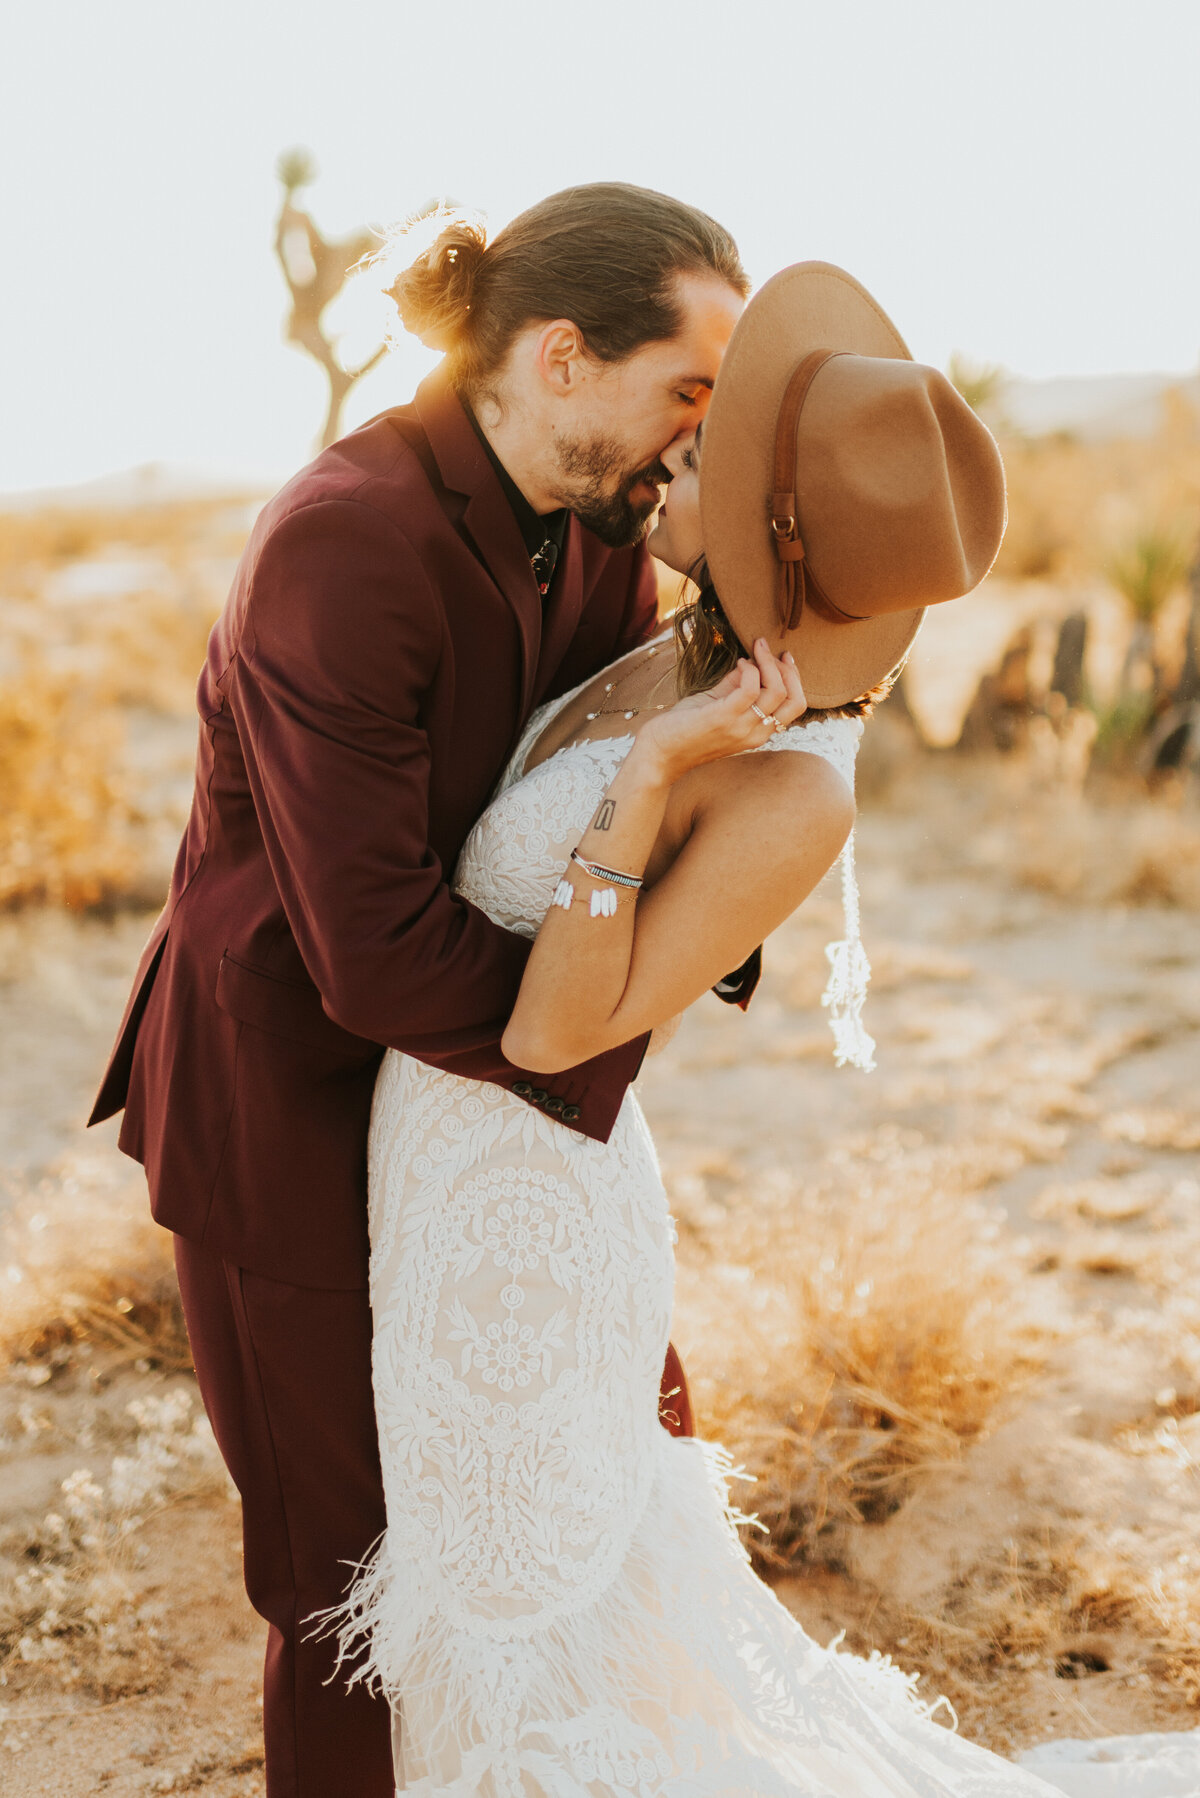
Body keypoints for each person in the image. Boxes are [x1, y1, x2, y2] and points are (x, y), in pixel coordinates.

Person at [335, 259, 1066, 1795]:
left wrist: (654, 775)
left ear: (768, 530)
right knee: (489, 1605)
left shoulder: (787, 781)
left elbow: (551, 1034)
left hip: (531, 1217)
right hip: (436, 1186)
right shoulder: (672, 642)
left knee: (533, 1612)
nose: (681, 452)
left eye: (716, 454)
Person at [88, 182, 751, 1798]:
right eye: (690, 393)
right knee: (347, 1576)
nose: (696, 442)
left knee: (604, 1468)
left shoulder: (603, 535)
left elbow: (599, 807)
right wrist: (596, 1018)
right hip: (292, 1101)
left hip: (500, 1102)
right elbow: (372, 946)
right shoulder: (342, 542)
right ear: (560, 356)